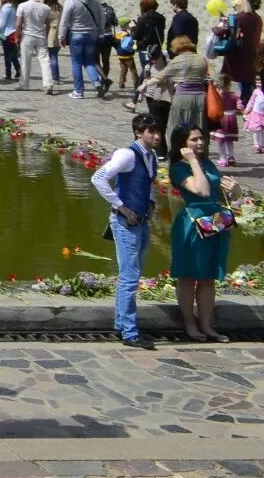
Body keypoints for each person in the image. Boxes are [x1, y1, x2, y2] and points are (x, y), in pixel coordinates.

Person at [91, 114, 164, 350]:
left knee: (132, 275)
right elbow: (99, 178)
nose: (156, 136)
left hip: (141, 222)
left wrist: (151, 205)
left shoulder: (150, 156)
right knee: (130, 277)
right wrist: (119, 205)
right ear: (138, 133)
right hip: (125, 223)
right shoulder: (127, 154)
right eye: (151, 132)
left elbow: (148, 185)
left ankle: (122, 325)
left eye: (158, 131)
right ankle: (130, 332)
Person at [168, 125, 233, 342]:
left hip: (215, 222)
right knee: (188, 276)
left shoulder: (209, 164)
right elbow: (202, 190)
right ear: (182, 145)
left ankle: (206, 325)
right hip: (193, 223)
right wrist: (193, 161)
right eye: (194, 140)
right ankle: (189, 322)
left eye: (201, 139)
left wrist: (235, 191)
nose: (200, 143)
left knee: (208, 277)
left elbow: (216, 193)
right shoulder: (179, 168)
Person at [163, 37, 212, 149]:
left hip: (182, 97)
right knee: (200, 126)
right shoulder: (202, 59)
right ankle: (200, 153)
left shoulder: (177, 60)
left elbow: (162, 76)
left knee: (176, 126)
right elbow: (210, 77)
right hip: (200, 97)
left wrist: (144, 85)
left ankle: (178, 153)